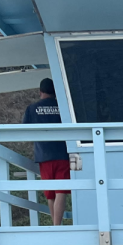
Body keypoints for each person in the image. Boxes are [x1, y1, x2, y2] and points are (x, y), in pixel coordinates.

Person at [21, 77, 70, 227]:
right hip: (65, 154)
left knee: (50, 193)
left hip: (44, 155)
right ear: (56, 92)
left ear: (40, 92)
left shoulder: (32, 108)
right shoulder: (64, 107)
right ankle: (57, 225)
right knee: (61, 190)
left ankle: (55, 226)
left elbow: (24, 131)